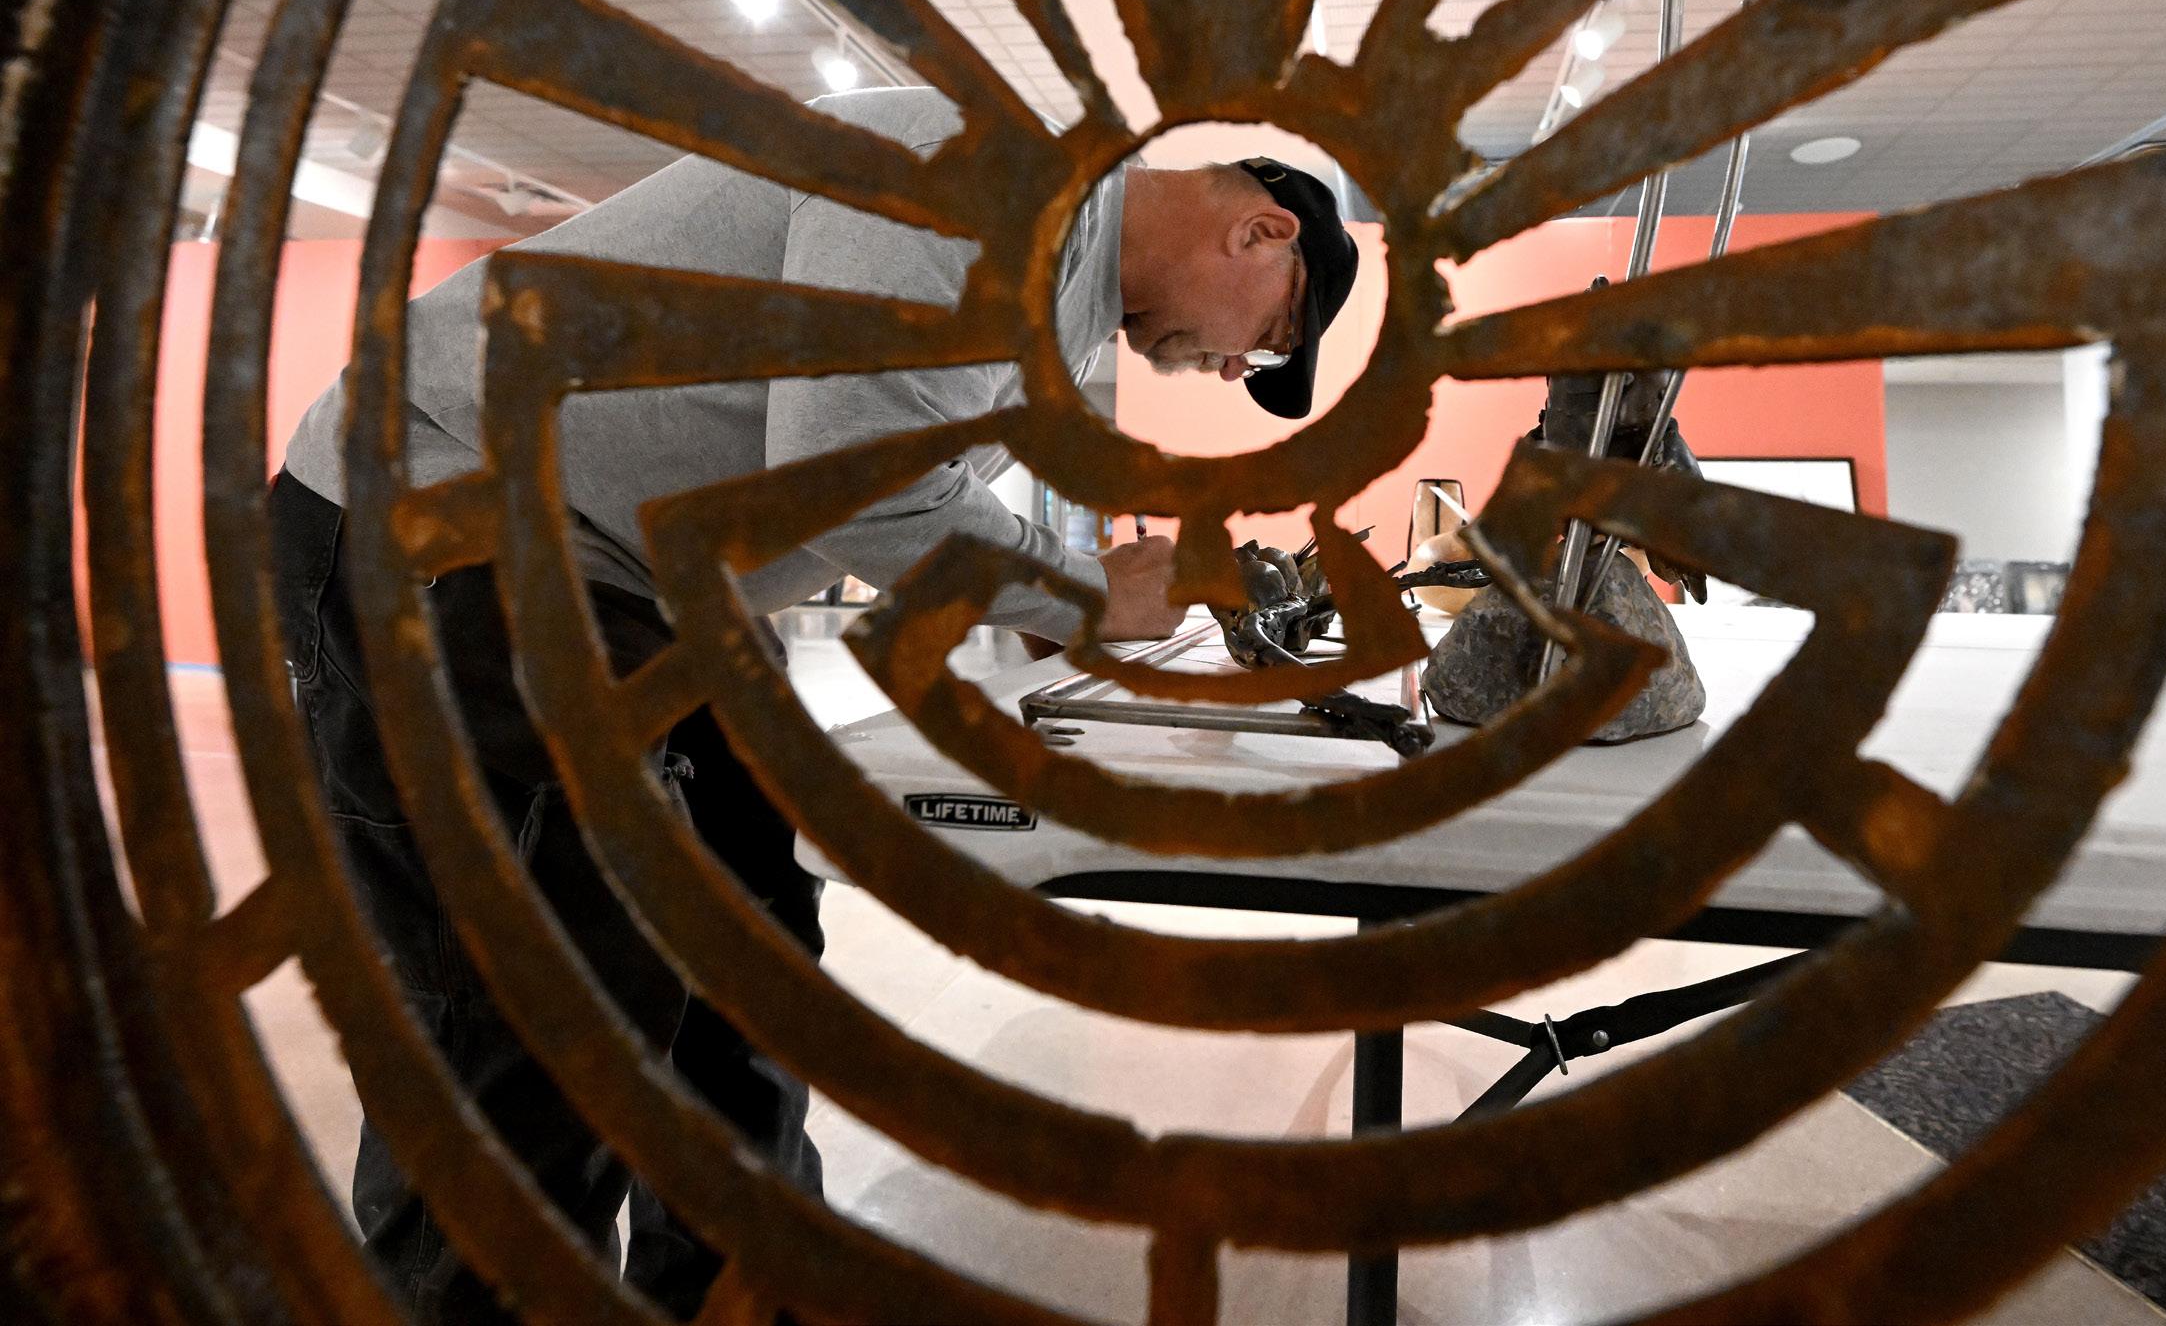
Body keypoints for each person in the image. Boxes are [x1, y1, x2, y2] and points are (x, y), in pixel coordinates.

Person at [266, 85, 1358, 1320]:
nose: (1236, 367)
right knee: (543, 1000)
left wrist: (1066, 605)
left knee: (752, 963)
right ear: (1262, 230)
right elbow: (848, 470)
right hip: (449, 508)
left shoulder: (1058, 302)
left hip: (638, 575)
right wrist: (1082, 594)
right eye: (1271, 337)